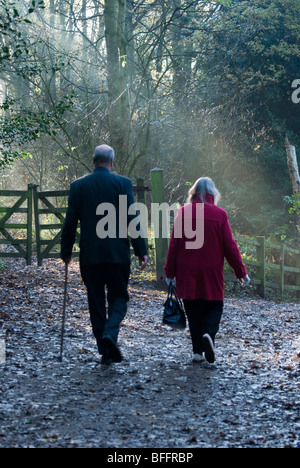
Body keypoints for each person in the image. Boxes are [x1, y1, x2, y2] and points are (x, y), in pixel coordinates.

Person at [61, 145, 148, 365]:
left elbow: (70, 220)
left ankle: (104, 349)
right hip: (117, 255)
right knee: (119, 298)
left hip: (91, 256)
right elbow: (132, 218)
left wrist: (66, 250)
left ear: (93, 161)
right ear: (111, 162)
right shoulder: (122, 184)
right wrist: (141, 250)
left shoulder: (78, 186)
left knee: (96, 301)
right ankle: (110, 334)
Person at [164, 177, 250, 364]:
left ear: (193, 192)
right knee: (214, 305)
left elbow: (174, 246)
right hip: (211, 271)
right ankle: (209, 334)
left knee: (193, 310)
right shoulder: (220, 215)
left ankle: (197, 352)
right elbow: (230, 246)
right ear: (212, 193)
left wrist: (169, 272)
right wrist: (241, 272)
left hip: (187, 271)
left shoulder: (183, 213)